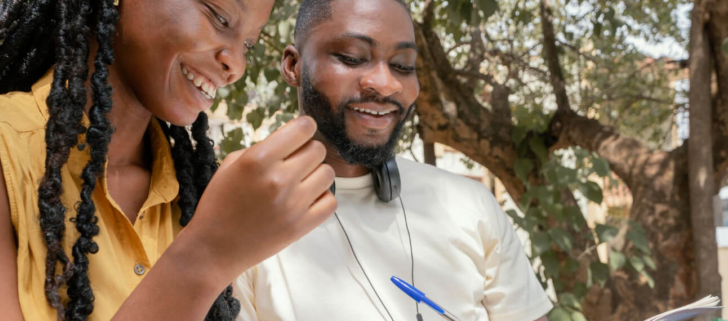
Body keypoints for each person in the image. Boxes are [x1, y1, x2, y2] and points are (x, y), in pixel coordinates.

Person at [0, 0, 338, 320]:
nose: (234, 64)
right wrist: (205, 256)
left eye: (249, 45)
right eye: (219, 17)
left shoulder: (193, 192)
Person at [233, 0, 553, 320]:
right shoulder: (238, 215)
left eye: (403, 65)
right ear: (293, 66)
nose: (386, 84)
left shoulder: (472, 205)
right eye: (352, 58)